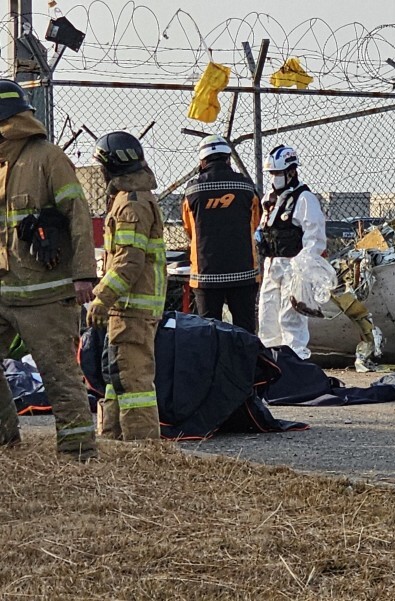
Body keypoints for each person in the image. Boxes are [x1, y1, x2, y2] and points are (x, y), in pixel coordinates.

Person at [0, 79, 97, 460]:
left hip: (46, 295)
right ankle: (5, 442)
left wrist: (84, 275)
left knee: (59, 376)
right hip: (4, 291)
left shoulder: (48, 158)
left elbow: (78, 215)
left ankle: (78, 456)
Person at [87, 131, 166, 441]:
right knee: (116, 377)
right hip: (126, 308)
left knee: (133, 383)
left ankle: (141, 451)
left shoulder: (132, 205)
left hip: (132, 308)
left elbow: (128, 264)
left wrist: (101, 298)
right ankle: (112, 442)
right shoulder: (125, 199)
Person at [181, 134, 261, 333]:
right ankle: (246, 363)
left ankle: (213, 365)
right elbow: (256, 224)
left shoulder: (192, 191)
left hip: (206, 275)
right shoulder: (246, 187)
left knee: (209, 332)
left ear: (202, 161)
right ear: (228, 158)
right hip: (243, 272)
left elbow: (189, 229)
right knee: (245, 330)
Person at [256, 144, 326, 359]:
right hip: (271, 265)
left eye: (278, 173)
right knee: (267, 319)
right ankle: (270, 366)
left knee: (291, 319)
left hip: (293, 266)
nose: (274, 178)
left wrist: (303, 265)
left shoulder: (304, 198)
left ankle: (296, 364)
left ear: (291, 172)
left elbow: (315, 237)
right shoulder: (270, 198)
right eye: (272, 173)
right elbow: (264, 226)